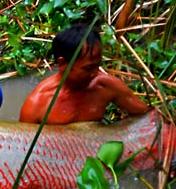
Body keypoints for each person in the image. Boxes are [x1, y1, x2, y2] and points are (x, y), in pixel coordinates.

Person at [20, 24, 149, 124]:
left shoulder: (105, 86)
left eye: (97, 65)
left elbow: (146, 117)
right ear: (63, 63)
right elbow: (23, 148)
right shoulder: (38, 104)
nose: (95, 73)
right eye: (87, 68)